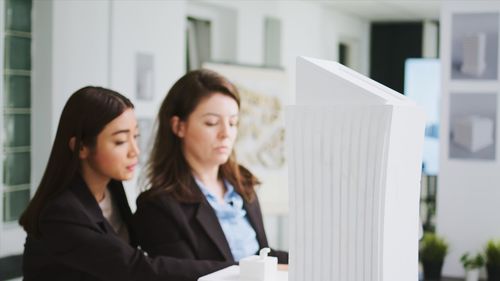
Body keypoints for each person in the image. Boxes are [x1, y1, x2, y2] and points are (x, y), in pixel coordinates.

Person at [19, 86, 232, 281]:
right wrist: (232, 270)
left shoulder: (111, 188)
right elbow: (133, 268)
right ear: (81, 147)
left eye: (136, 137)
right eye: (120, 141)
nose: (134, 151)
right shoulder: (61, 213)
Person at [132, 69, 288, 280]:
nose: (226, 133)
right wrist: (257, 270)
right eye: (212, 123)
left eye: (232, 123)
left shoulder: (243, 185)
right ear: (179, 126)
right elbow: (181, 275)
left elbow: (262, 253)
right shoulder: (158, 206)